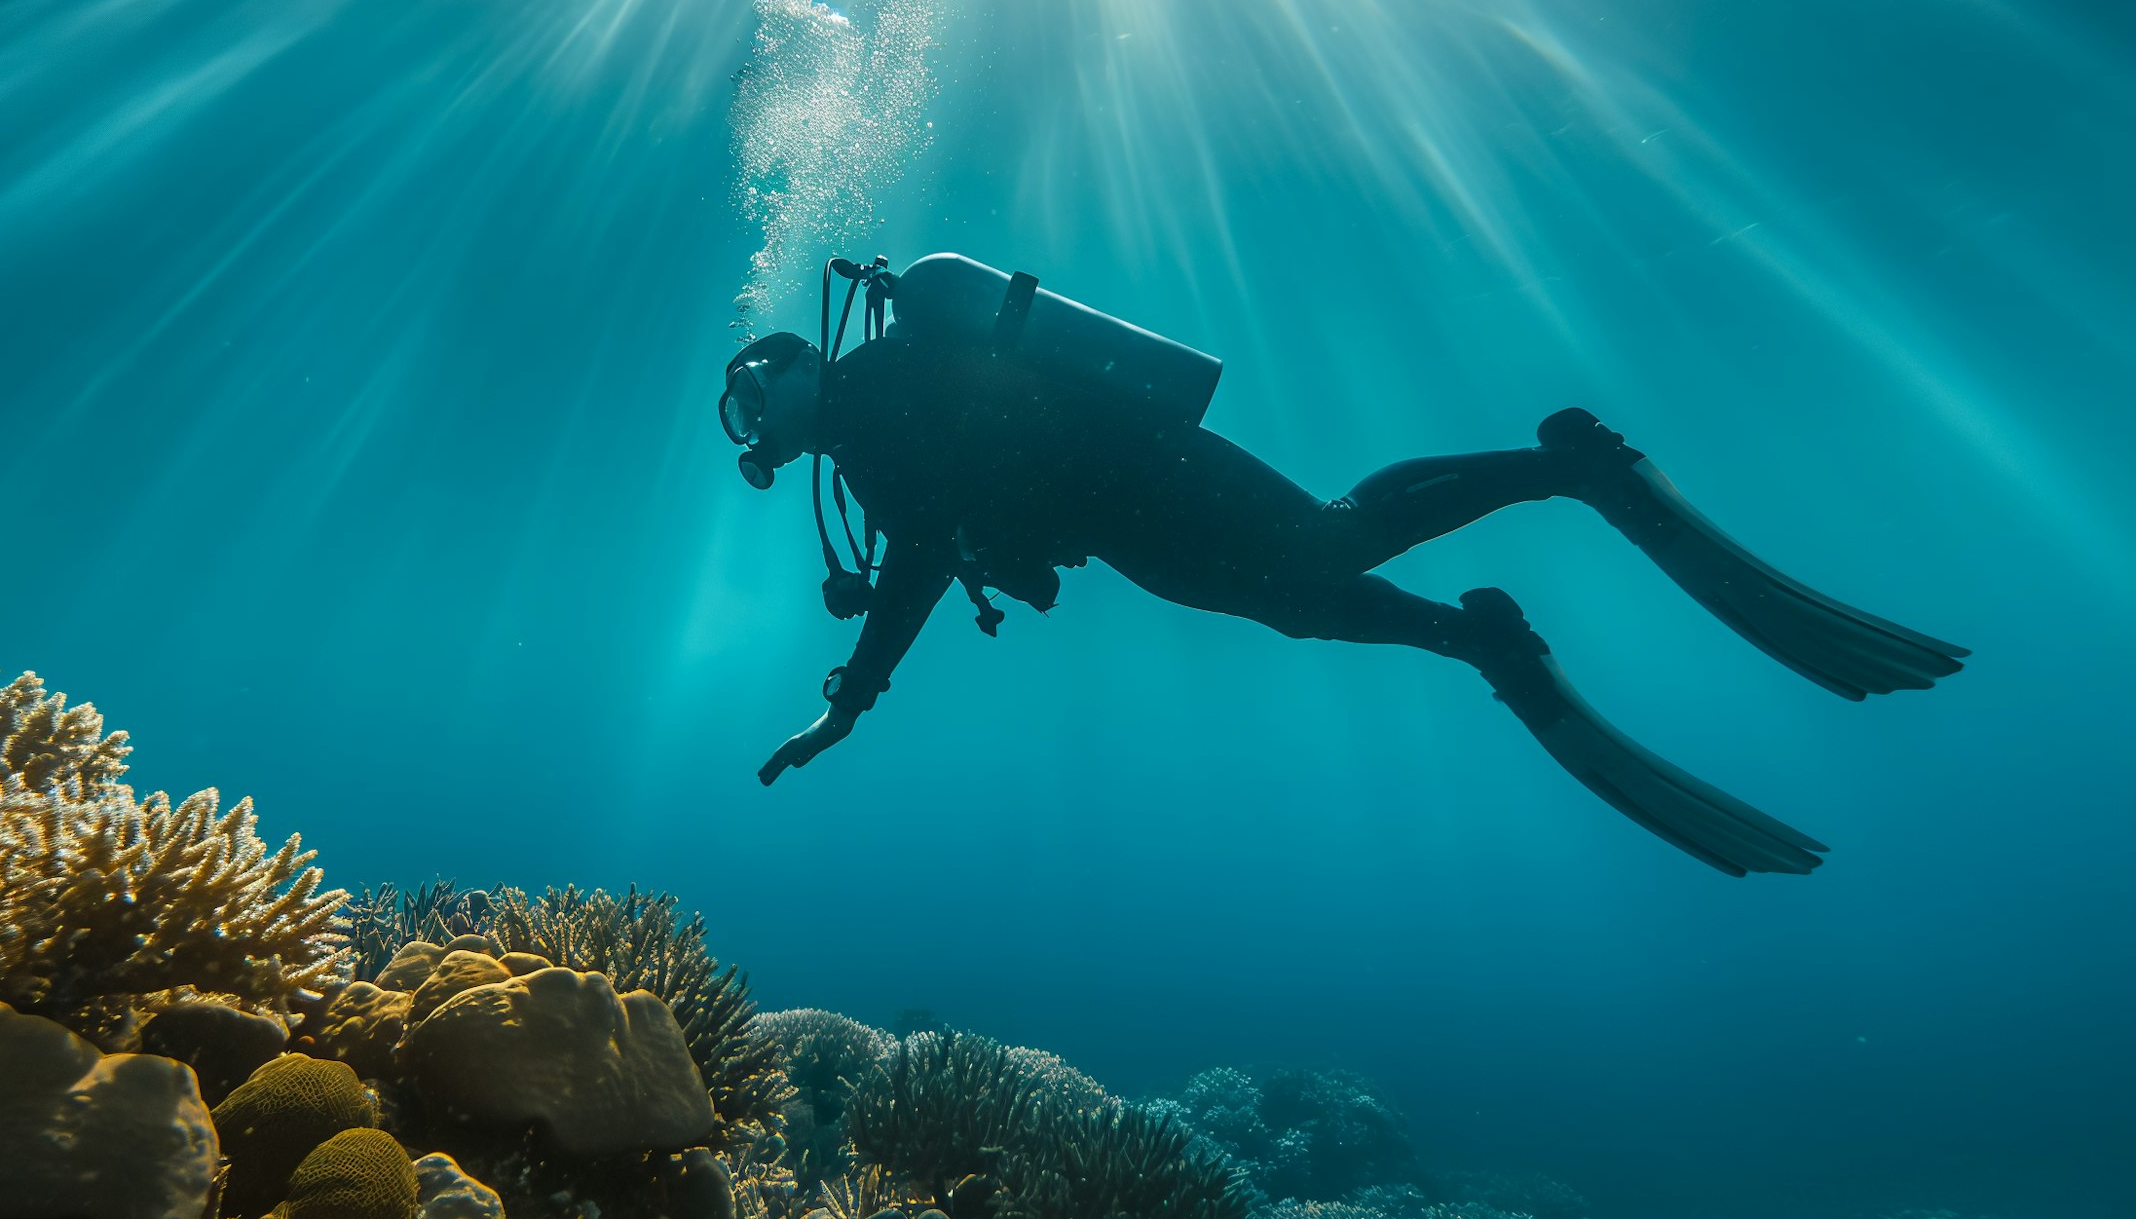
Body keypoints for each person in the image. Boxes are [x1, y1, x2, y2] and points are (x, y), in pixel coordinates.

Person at [718, 304, 1966, 875]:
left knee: (1323, 546)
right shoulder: (873, 451)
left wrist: (849, 703)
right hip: (1140, 531)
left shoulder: (893, 378)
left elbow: (932, 551)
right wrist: (849, 704)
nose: (746, 426)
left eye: (746, 398)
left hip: (1154, 478)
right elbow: (929, 557)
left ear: (787, 373)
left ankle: (1568, 464)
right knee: (1298, 600)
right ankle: (1481, 637)